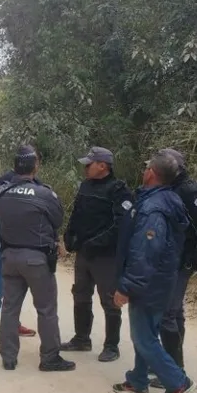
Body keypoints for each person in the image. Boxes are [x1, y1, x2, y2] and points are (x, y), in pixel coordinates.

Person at [112, 150, 196, 393]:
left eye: (146, 167)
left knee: (144, 337)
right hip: (161, 279)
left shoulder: (153, 208)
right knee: (146, 332)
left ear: (151, 173)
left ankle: (178, 382)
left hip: (150, 283)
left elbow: (145, 253)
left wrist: (126, 287)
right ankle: (138, 381)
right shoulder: (167, 198)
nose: (143, 170)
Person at [0, 145, 75, 372]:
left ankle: (8, 358)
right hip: (37, 259)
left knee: (10, 308)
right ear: (35, 166)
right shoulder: (45, 194)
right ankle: (49, 358)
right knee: (46, 309)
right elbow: (57, 220)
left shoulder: (2, 193)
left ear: (15, 166)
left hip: (9, 256)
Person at [148, 148, 197, 389]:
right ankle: (169, 363)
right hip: (167, 260)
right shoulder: (167, 188)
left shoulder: (189, 192)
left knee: (168, 314)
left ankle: (174, 372)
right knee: (173, 313)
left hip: (180, 262)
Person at [61, 147, 133, 362]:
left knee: (110, 301)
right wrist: (69, 235)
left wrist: (97, 243)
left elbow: (122, 224)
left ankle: (112, 346)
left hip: (105, 256)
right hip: (84, 253)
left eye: (89, 164)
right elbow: (76, 213)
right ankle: (81, 338)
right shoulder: (85, 186)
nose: (85, 168)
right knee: (80, 295)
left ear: (103, 166)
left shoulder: (119, 190)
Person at [0, 169, 37, 341]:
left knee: (17, 287)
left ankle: (13, 324)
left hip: (23, 244)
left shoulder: (37, 185)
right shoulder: (3, 182)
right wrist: (4, 235)